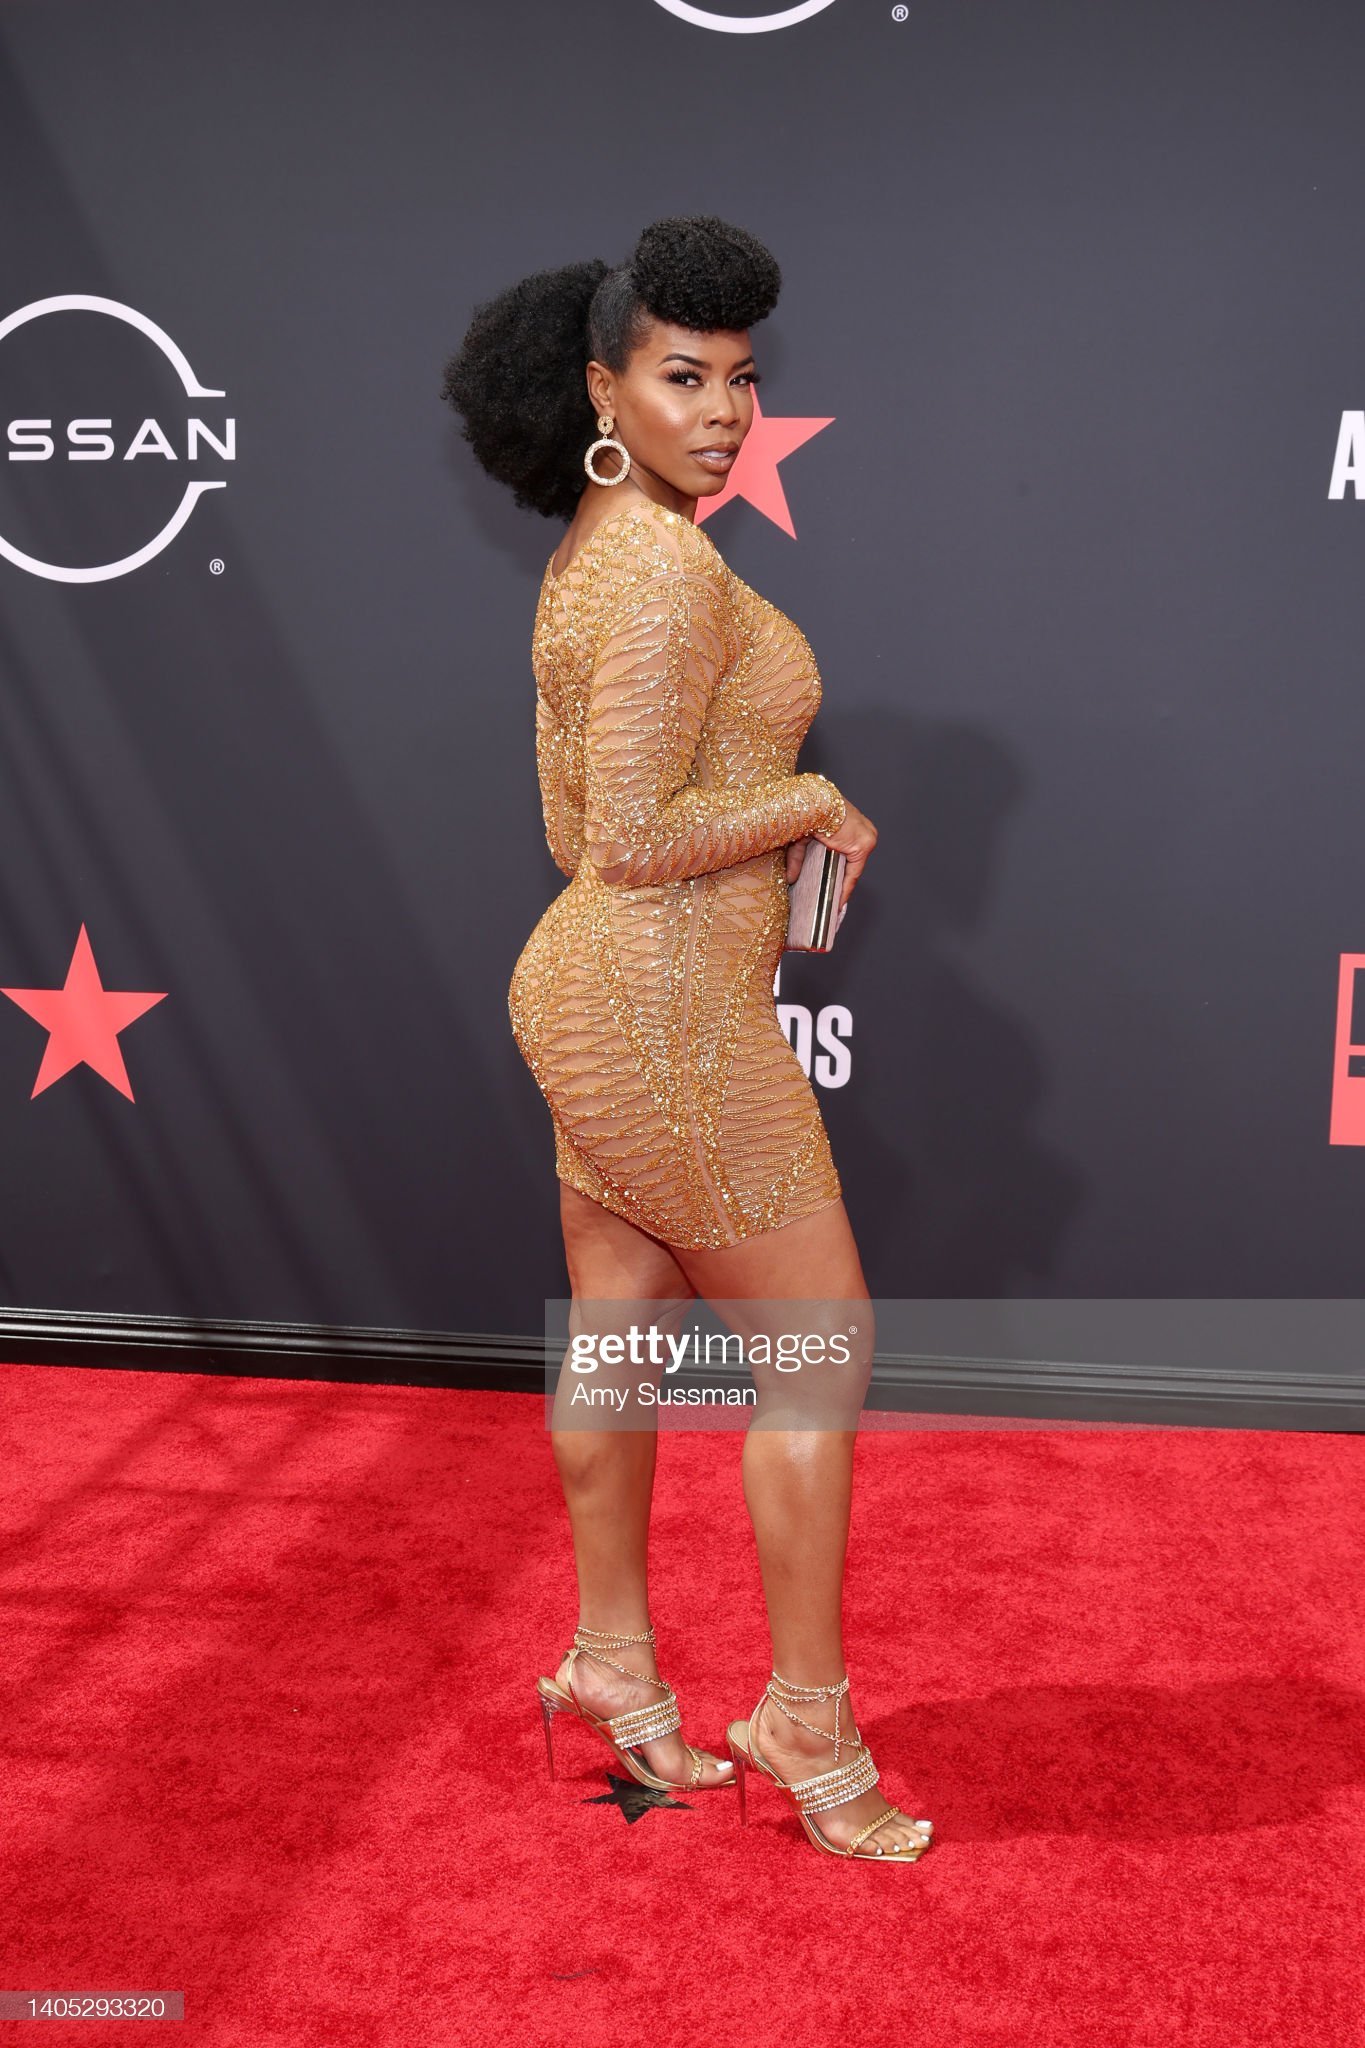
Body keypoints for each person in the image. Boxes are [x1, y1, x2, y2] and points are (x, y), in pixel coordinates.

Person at [441, 215, 932, 1860]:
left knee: (621, 1327)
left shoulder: (597, 551)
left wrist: (755, 822)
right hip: (656, 1006)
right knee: (817, 1349)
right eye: (680, 378)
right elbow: (633, 835)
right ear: (602, 388)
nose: (721, 412)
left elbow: (567, 825)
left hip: (605, 988)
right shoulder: (659, 570)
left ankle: (612, 1663)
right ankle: (807, 1722)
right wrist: (808, 798)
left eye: (739, 379)